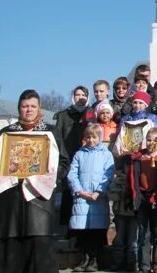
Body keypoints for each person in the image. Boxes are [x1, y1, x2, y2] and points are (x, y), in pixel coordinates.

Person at [0, 89, 66, 273]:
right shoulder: (6, 133)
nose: (29, 110)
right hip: (10, 201)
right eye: (25, 106)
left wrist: (48, 179)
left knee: (40, 250)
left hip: (39, 202)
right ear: (19, 108)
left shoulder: (51, 132)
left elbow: (63, 163)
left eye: (32, 106)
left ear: (39, 108)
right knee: (10, 250)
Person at [67, 124, 115, 272]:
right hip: (82, 198)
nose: (91, 140)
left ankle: (94, 260)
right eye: (88, 137)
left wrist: (99, 191)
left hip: (98, 198)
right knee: (83, 231)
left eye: (94, 137)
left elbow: (108, 174)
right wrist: (79, 190)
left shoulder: (106, 154)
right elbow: (72, 174)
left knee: (97, 231)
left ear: (99, 138)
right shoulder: (79, 154)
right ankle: (84, 259)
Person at [130, 127, 157, 273]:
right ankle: (144, 266)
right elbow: (134, 179)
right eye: (149, 140)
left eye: (155, 140)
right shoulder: (139, 158)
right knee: (143, 234)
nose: (151, 143)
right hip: (143, 198)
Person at [56, 85, 91, 225]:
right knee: (68, 193)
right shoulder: (63, 115)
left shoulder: (91, 113)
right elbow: (58, 138)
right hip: (68, 157)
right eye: (77, 95)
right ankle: (66, 229)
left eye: (83, 95)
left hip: (86, 159)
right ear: (73, 97)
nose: (80, 97)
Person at [109, 155, 138, 273]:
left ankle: (131, 262)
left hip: (134, 210)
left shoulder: (136, 178)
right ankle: (118, 262)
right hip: (120, 210)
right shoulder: (118, 179)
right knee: (119, 239)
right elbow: (112, 193)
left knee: (133, 239)